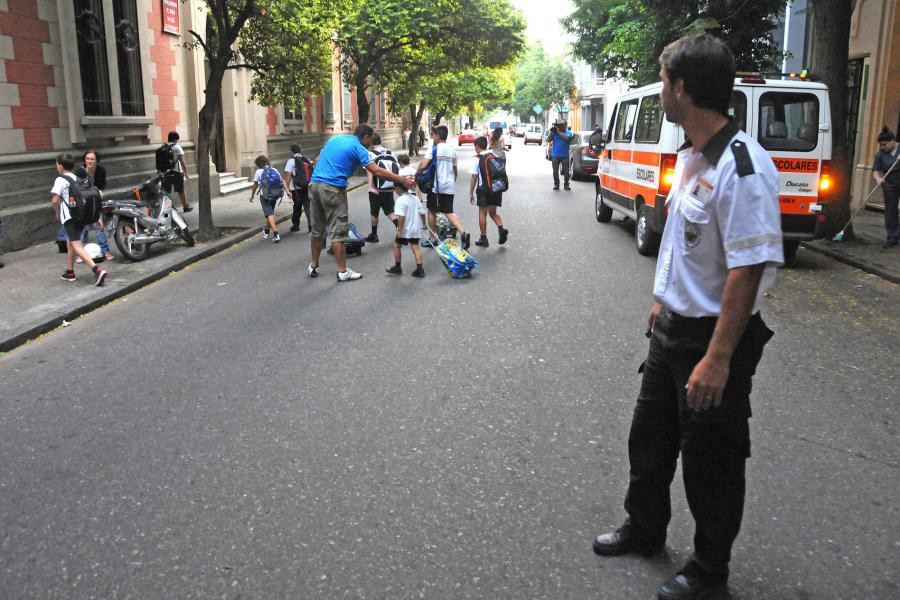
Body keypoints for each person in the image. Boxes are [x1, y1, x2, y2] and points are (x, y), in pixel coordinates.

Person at [591, 35, 782, 600]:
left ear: (681, 88)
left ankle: (709, 570)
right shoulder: (693, 156)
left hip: (712, 339)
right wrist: (662, 299)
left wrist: (719, 358)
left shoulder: (743, 168)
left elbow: (746, 270)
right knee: (648, 440)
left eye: (663, 77)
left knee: (711, 462)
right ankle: (645, 529)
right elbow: (686, 244)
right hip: (672, 327)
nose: (661, 87)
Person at [306, 124, 414, 281]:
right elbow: (376, 171)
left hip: (314, 185)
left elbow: (318, 159)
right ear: (365, 137)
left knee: (317, 230)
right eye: (370, 138)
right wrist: (402, 179)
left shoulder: (335, 139)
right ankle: (342, 271)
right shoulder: (359, 148)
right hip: (333, 188)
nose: (370, 142)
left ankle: (313, 265)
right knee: (339, 231)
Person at [51, 154, 109, 285]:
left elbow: (55, 200)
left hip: (70, 218)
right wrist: (94, 219)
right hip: (80, 216)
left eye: (56, 164)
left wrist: (57, 212)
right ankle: (70, 272)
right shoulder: (76, 178)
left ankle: (97, 270)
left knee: (76, 245)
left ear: (60, 166)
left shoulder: (60, 180)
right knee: (70, 242)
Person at [416, 125, 470, 249]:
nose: (432, 137)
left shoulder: (433, 149)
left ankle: (433, 239)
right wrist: (451, 182)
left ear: (438, 136)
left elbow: (423, 166)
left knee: (431, 211)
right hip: (449, 186)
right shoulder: (452, 151)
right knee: (448, 211)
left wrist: (416, 175)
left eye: (433, 135)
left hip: (436, 187)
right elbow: (455, 171)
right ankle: (463, 232)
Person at [386, 154, 426, 277]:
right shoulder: (415, 199)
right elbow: (422, 212)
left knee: (397, 246)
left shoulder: (400, 200)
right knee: (415, 247)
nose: (395, 191)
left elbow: (401, 217)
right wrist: (424, 224)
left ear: (398, 188)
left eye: (395, 189)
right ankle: (420, 269)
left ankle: (398, 267)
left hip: (405, 229)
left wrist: (399, 230)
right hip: (415, 228)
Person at [74, 149, 114, 262]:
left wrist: (99, 191)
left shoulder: (101, 171)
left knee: (99, 225)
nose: (89, 161)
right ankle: (81, 254)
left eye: (92, 159)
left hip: (96, 201)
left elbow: (102, 185)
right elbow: (77, 187)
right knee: (83, 227)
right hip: (83, 201)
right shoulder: (79, 171)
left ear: (97, 160)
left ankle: (105, 251)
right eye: (87, 158)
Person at [470, 136, 508, 248]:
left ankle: (483, 238)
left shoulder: (477, 158)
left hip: (484, 190)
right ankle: (501, 228)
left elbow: (474, 177)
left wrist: (470, 192)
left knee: (482, 213)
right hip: (496, 188)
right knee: (493, 213)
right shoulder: (493, 155)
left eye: (475, 147)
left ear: (477, 146)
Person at [365, 133, 400, 243]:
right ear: (381, 141)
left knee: (374, 212)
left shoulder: (370, 154)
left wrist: (370, 186)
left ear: (371, 143)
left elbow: (369, 170)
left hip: (377, 188)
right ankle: (401, 230)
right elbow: (396, 168)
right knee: (390, 211)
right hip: (389, 187)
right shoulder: (391, 153)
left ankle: (374, 235)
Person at [872, 126, 900, 248]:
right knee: (890, 211)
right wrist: (878, 178)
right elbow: (875, 170)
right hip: (889, 185)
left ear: (893, 141)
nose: (883, 147)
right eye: (881, 145)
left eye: (885, 144)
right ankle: (892, 237)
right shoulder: (881, 154)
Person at [249, 155, 285, 243]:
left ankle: (276, 234)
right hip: (275, 194)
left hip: (265, 195)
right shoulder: (274, 170)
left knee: (269, 213)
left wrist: (252, 195)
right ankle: (267, 230)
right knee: (270, 213)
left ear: (258, 164)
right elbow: (282, 181)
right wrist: (287, 191)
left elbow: (255, 185)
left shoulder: (258, 172)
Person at [283, 144, 313, 233]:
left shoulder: (291, 161)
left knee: (297, 206)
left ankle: (296, 225)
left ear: (291, 152)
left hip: (295, 188)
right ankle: (311, 225)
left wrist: (287, 188)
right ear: (300, 151)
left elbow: (288, 174)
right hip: (306, 186)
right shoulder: (306, 159)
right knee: (307, 206)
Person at [161, 131, 193, 212]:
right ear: (175, 139)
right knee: (180, 190)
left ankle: (164, 208)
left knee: (165, 191)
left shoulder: (163, 147)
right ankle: (185, 206)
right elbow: (182, 161)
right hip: (176, 172)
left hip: (166, 172)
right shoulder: (177, 147)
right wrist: (186, 172)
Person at [547, 119, 573, 190]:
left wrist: (558, 132)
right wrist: (551, 132)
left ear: (565, 125)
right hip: (555, 155)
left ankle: (566, 184)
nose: (560, 126)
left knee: (566, 172)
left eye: (562, 125)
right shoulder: (554, 132)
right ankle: (556, 184)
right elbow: (549, 140)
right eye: (559, 125)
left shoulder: (569, 132)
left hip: (565, 155)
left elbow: (567, 139)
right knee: (555, 171)